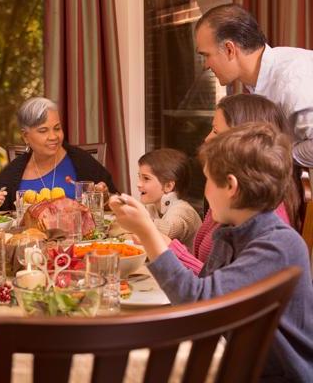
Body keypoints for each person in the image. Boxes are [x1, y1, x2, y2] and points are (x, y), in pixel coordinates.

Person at [109, 122, 313, 382]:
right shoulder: (229, 233)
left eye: (207, 180)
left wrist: (147, 232)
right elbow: (202, 290)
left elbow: (201, 305)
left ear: (231, 186)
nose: (204, 190)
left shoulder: (278, 245)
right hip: (243, 360)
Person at [169, 94, 299, 275]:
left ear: (243, 138)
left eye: (216, 131)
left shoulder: (260, 221)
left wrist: (165, 248)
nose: (207, 139)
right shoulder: (227, 203)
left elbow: (216, 287)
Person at [195, 3, 313, 166]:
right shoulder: (258, 80)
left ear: (230, 49)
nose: (205, 65)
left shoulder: (292, 81)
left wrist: (269, 156)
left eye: (206, 55)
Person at [0, 97, 118, 211]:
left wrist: (105, 198)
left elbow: (118, 206)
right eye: (43, 131)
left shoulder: (82, 161)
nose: (53, 137)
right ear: (26, 136)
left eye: (57, 128)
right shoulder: (10, 175)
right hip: (28, 235)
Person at [137, 148, 201, 248]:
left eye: (146, 178)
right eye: (139, 177)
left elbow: (170, 229)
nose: (138, 184)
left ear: (168, 186)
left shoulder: (184, 211)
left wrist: (137, 218)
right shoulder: (153, 206)